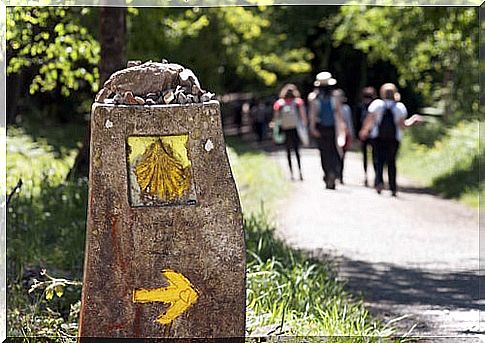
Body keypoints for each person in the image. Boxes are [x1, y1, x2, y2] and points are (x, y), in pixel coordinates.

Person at [359, 83, 422, 196]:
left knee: (378, 161)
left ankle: (379, 182)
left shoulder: (377, 104)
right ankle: (392, 187)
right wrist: (413, 120)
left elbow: (369, 120)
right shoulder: (400, 107)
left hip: (377, 137)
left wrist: (364, 131)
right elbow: (403, 125)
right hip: (394, 139)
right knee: (391, 162)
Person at [308, 72, 347, 189]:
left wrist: (312, 128)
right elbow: (339, 113)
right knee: (334, 151)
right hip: (333, 128)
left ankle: (327, 173)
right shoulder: (335, 96)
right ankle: (333, 173)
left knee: (323, 153)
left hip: (320, 128)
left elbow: (312, 115)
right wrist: (342, 128)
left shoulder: (313, 97)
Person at [273, 84, 307, 181]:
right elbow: (303, 117)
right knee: (297, 151)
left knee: (288, 152)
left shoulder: (279, 104)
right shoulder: (298, 102)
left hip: (285, 129)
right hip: (295, 129)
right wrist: (304, 128)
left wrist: (275, 130)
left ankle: (291, 173)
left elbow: (276, 119)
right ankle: (300, 172)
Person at [355, 87, 378, 187]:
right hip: (374, 134)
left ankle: (366, 176)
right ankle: (376, 177)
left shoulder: (361, 107)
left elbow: (356, 122)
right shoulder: (375, 107)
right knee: (375, 156)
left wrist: (357, 135)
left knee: (365, 156)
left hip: (363, 134)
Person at [333, 89, 354, 184]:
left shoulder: (346, 108)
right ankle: (335, 174)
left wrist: (351, 134)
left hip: (344, 134)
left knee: (342, 156)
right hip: (333, 134)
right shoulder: (331, 108)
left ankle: (340, 175)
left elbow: (349, 122)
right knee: (334, 155)